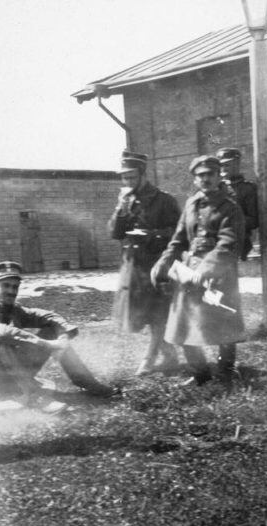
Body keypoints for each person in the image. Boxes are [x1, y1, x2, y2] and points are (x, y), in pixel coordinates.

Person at [150, 155, 246, 385]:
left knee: (224, 323)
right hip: (189, 272)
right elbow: (179, 239)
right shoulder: (191, 204)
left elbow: (228, 244)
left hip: (219, 273)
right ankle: (200, 372)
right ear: (194, 180)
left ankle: (226, 369)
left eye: (209, 174)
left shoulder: (230, 208)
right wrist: (162, 263)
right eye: (200, 176)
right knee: (182, 324)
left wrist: (205, 271)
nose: (205, 179)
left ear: (218, 176)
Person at [0, 261, 118, 411]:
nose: (11, 291)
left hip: (7, 375)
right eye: (5, 285)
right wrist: (48, 344)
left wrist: (63, 334)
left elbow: (47, 315)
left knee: (51, 330)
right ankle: (35, 396)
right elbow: (4, 332)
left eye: (15, 287)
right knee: (3, 342)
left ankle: (87, 382)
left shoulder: (13, 309)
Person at [108, 150, 181, 375]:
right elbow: (115, 233)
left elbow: (179, 233)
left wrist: (152, 235)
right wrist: (120, 208)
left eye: (131, 176)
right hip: (133, 265)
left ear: (142, 175)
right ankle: (169, 354)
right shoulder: (126, 201)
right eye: (124, 177)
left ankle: (150, 358)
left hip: (156, 263)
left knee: (159, 311)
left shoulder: (164, 200)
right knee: (143, 312)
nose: (128, 182)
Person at [216, 147, 259, 261]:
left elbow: (254, 220)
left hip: (237, 241)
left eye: (227, 165)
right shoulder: (216, 189)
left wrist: (230, 221)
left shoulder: (247, 189)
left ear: (237, 165)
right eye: (221, 166)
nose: (223, 169)